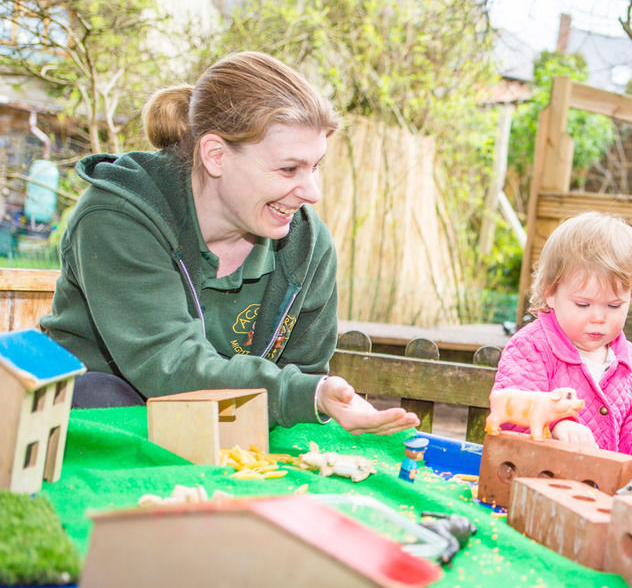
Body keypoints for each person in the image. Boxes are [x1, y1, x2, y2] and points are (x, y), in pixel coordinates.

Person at [40, 51, 418, 436]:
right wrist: (305, 395)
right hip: (92, 425)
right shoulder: (118, 216)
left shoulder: (309, 245)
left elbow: (303, 376)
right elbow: (169, 365)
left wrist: (317, 395)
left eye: (316, 165)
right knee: (103, 392)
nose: (312, 192)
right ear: (216, 155)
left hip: (222, 432)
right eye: (289, 168)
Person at [492, 212, 632, 483]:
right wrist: (557, 423)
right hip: (539, 485)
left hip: (601, 491)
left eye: (613, 305)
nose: (598, 318)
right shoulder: (533, 347)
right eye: (583, 305)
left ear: (631, 296)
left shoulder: (630, 360)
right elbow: (512, 407)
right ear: (550, 293)